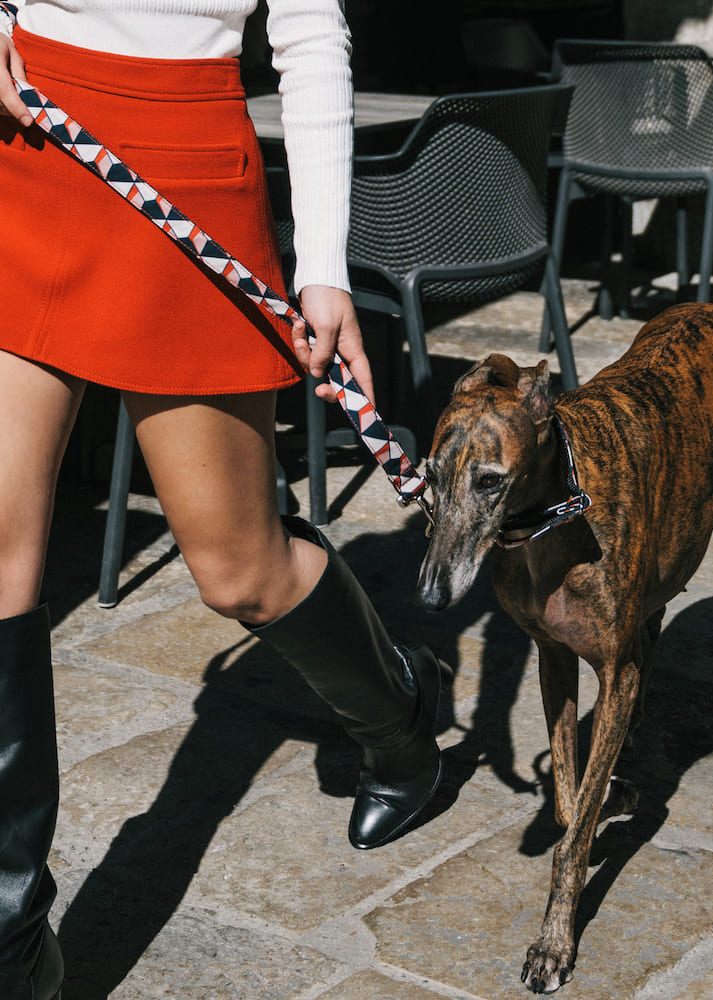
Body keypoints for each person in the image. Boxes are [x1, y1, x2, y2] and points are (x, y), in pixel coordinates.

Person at [0, 2, 448, 998]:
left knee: (239, 571)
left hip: (186, 165)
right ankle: (12, 949)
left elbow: (308, 34)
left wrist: (323, 267)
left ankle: (397, 719)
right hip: (24, 140)